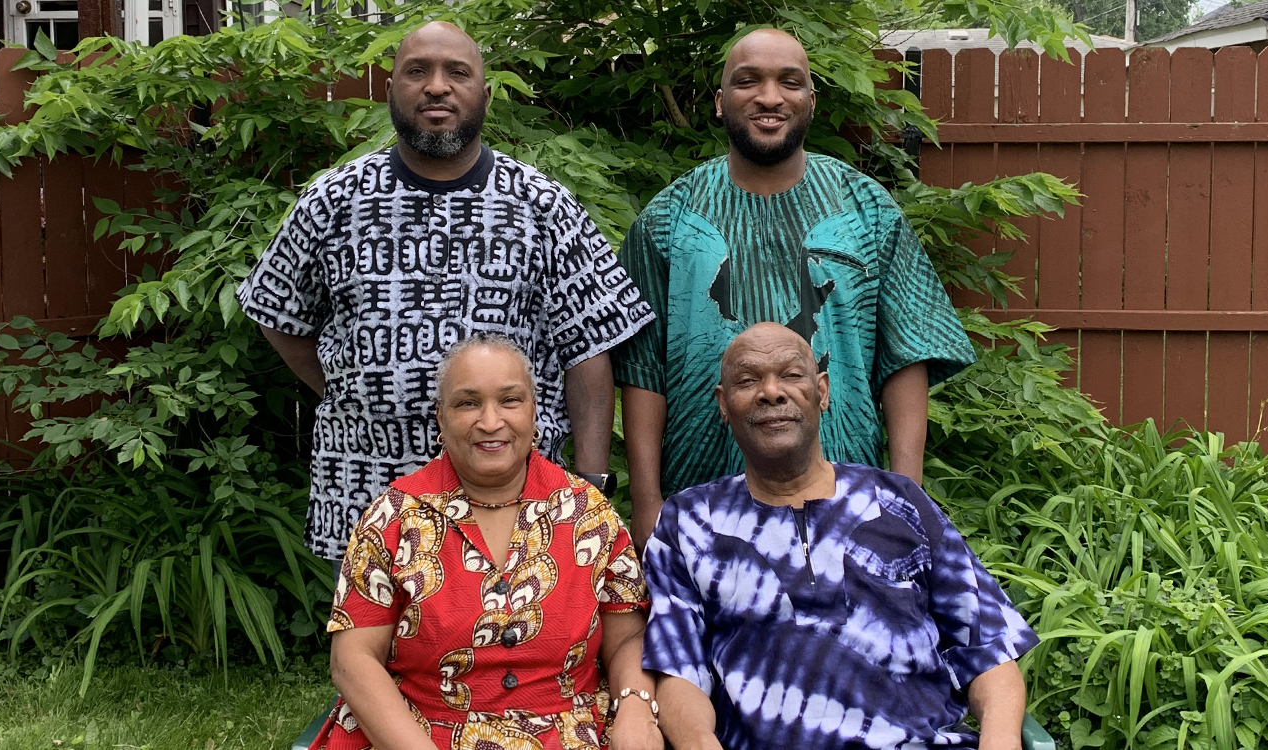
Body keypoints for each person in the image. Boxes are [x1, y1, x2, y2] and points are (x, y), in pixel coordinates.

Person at [237, 21, 652, 560]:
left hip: (516, 501)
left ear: (483, 93)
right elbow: (277, 311)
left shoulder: (543, 205)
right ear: (390, 91)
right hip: (367, 492)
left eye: (457, 72)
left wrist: (591, 483)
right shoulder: (333, 201)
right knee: (373, 645)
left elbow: (590, 346)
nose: (436, 86)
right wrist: (349, 392)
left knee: (519, 642)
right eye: (416, 72)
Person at [613, 28, 975, 546]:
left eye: (789, 81)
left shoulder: (867, 210)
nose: (769, 96)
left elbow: (907, 353)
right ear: (720, 102)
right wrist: (648, 503)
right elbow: (642, 367)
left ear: (811, 100)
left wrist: (905, 493)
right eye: (748, 81)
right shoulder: (671, 218)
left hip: (851, 506)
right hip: (702, 509)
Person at [641, 322, 1037, 750]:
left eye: (791, 375)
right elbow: (679, 674)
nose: (771, 392)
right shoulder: (689, 523)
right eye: (747, 379)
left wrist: (1000, 740)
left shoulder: (898, 501)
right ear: (723, 404)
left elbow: (989, 650)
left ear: (822, 392)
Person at [313, 334, 664, 750]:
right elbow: (352, 661)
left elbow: (625, 636)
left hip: (568, 734)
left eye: (510, 401)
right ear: (440, 418)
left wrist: (636, 708)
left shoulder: (586, 512)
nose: (491, 421)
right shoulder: (392, 518)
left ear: (534, 414)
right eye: (468, 403)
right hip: (418, 732)